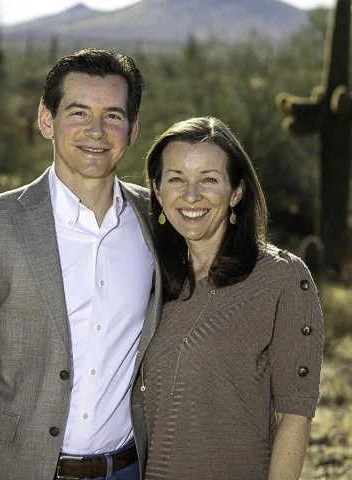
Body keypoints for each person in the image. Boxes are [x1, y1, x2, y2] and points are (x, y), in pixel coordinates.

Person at [0, 49, 162, 480]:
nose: (96, 130)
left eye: (112, 114)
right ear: (46, 120)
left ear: (133, 127)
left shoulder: (158, 222)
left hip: (130, 469)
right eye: (78, 112)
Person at [139, 116, 324, 479]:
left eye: (209, 179)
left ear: (236, 191)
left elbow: (294, 416)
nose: (191, 196)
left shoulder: (283, 279)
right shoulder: (150, 277)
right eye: (176, 179)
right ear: (159, 192)